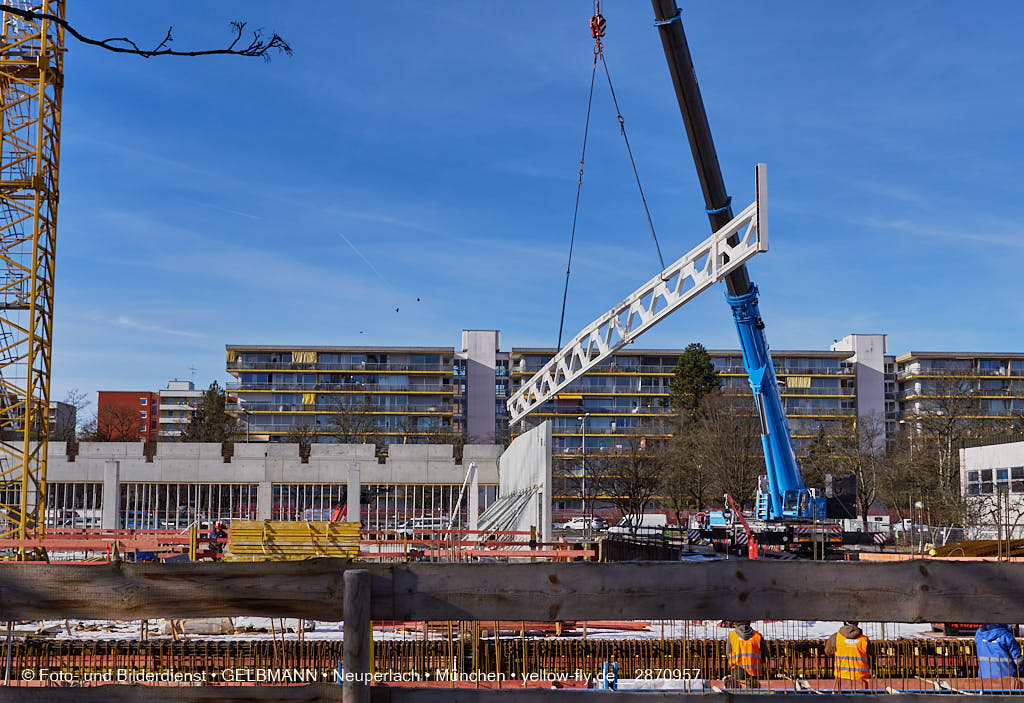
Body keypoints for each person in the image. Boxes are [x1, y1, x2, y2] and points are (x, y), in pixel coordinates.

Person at [724, 620, 768, 687]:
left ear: (737, 623)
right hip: (754, 670)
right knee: (753, 690)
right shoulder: (757, 635)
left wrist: (732, 663)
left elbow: (728, 653)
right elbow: (765, 654)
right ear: (749, 623)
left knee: (737, 690)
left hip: (737, 668)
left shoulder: (732, 635)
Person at [826, 621, 870, 685]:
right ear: (857, 623)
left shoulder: (835, 637)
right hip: (862, 678)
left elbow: (828, 652)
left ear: (844, 623)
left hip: (840, 677)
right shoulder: (864, 639)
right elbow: (871, 658)